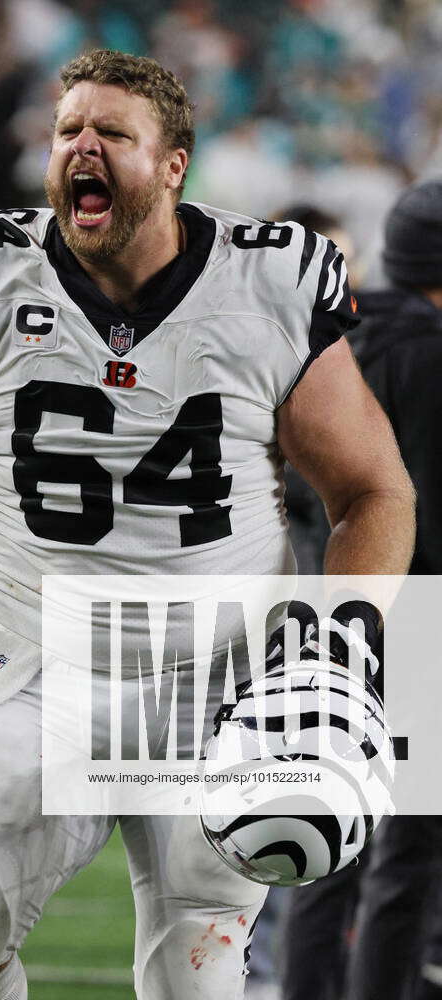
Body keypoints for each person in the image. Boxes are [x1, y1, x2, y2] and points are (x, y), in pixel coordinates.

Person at [0, 50, 415, 1000]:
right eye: (68, 130)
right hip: (43, 662)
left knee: (194, 979)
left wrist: (339, 647)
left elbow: (372, 490)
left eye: (111, 133)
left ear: (172, 166)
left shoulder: (269, 281)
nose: (81, 146)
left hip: (220, 672)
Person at [280, 179, 442, 1000]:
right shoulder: (429, 354)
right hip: (414, 626)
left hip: (318, 613)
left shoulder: (326, 338)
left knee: (322, 852)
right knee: (405, 858)